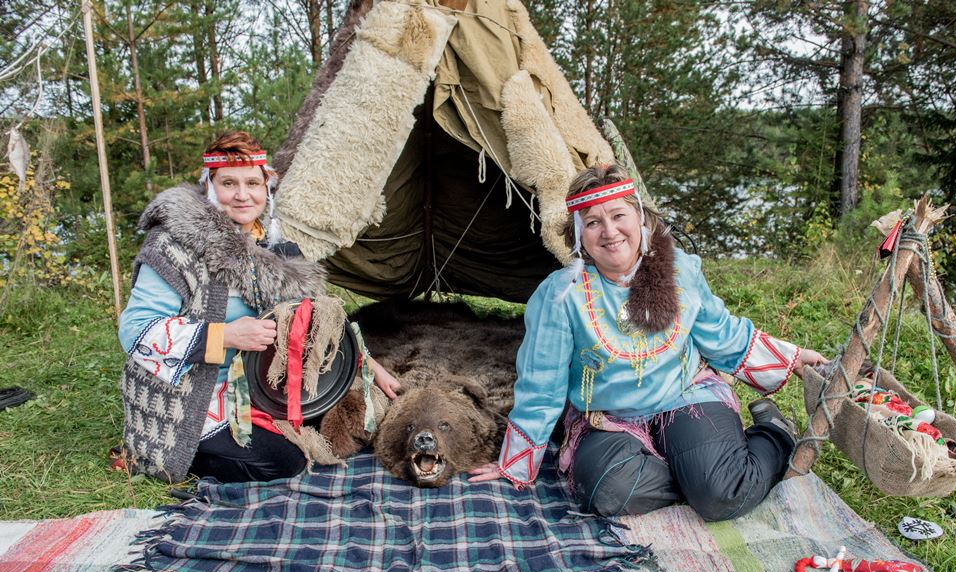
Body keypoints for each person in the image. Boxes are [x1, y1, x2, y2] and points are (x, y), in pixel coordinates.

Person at [469, 164, 826, 521]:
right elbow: (541, 383)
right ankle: (699, 472)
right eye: (593, 222)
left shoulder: (678, 271)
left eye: (618, 215)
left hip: (684, 397)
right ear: (579, 235)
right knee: (607, 491)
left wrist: (792, 358)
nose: (610, 232)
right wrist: (515, 463)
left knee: (722, 496)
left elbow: (722, 334)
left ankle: (773, 436)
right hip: (608, 419)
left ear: (640, 218)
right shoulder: (562, 295)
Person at [119, 131, 400, 483]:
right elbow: (136, 330)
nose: (241, 195)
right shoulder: (172, 245)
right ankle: (164, 454)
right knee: (284, 461)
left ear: (266, 186)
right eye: (228, 183)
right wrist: (225, 335)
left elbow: (315, 319)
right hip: (194, 396)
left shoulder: (273, 242)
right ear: (209, 186)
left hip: (260, 386)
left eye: (252, 182)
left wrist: (368, 365)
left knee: (348, 417)